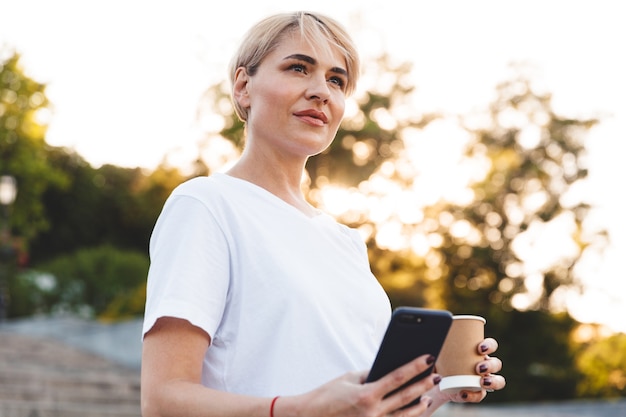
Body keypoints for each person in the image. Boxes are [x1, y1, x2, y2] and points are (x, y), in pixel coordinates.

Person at [141, 11, 505, 417]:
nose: (321, 92)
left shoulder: (345, 242)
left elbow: (355, 402)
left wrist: (438, 388)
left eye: (337, 80)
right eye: (299, 68)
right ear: (244, 86)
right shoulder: (207, 205)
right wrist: (300, 409)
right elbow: (162, 400)